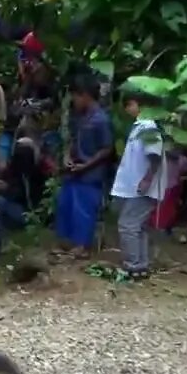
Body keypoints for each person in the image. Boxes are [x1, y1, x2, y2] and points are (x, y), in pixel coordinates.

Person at [53, 75, 114, 257]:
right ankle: (66, 241)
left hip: (90, 173)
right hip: (75, 171)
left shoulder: (101, 119)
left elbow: (107, 149)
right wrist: (67, 157)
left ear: (86, 95)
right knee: (66, 205)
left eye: (76, 96)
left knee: (83, 209)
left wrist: (87, 165)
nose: (74, 100)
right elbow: (72, 140)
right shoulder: (80, 116)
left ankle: (82, 246)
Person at [110, 91, 165, 278]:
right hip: (136, 186)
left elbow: (154, 155)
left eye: (129, 105)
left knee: (128, 225)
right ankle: (140, 266)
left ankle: (132, 265)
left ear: (137, 105)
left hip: (141, 187)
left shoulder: (148, 126)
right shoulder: (140, 127)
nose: (128, 109)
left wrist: (147, 179)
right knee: (137, 227)